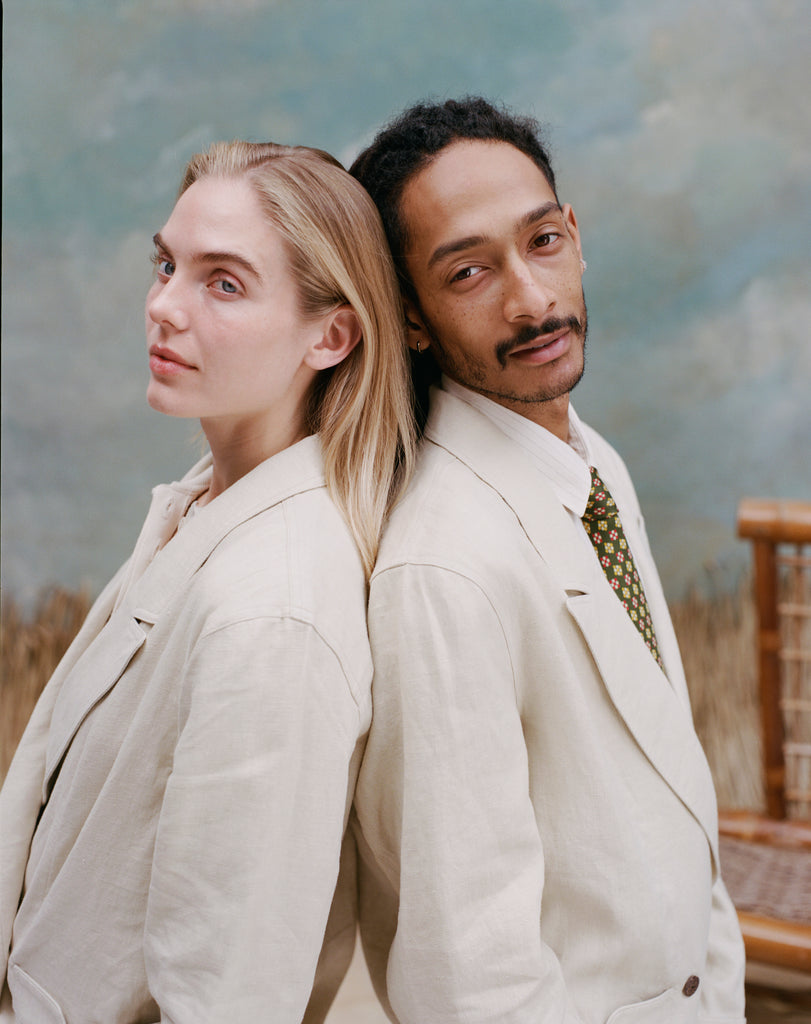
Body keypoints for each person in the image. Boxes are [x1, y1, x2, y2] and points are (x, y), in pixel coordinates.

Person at [349, 97, 746, 1023]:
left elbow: (671, 797)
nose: (530, 300)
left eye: (539, 243)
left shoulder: (591, 465)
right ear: (407, 316)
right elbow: (467, 973)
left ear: (574, 235)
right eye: (468, 271)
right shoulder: (441, 569)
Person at [0, 140, 415, 1023]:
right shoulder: (200, 505)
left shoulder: (274, 615)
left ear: (331, 334)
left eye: (221, 283)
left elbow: (228, 991)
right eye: (166, 265)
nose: (162, 307)